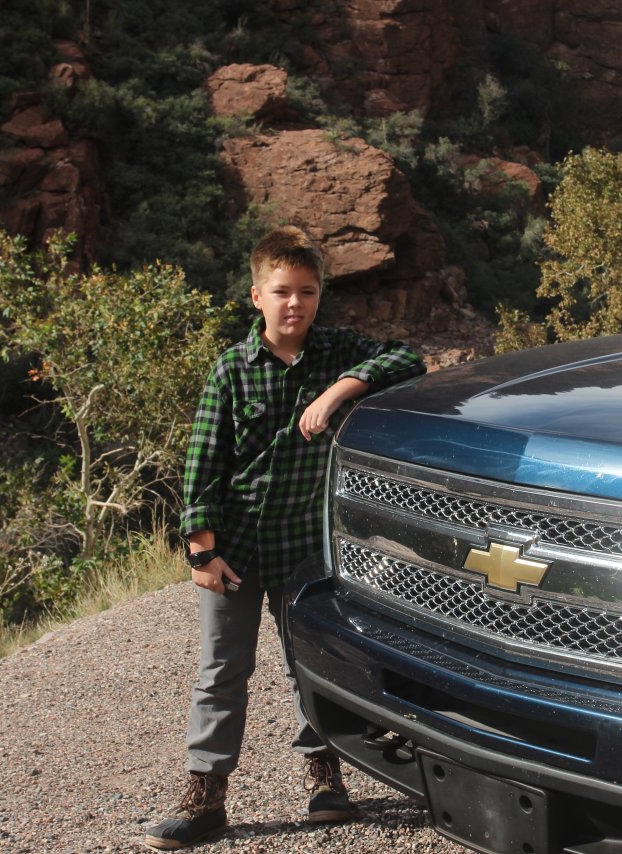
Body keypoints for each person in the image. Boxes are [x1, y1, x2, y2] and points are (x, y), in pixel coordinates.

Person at [144, 225, 426, 850]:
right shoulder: (232, 371)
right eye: (281, 292)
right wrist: (201, 549)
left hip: (303, 545)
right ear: (256, 297)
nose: (294, 304)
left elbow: (407, 357)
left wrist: (339, 389)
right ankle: (205, 797)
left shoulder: (332, 352)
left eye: (307, 291)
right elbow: (201, 466)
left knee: (311, 664)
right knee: (222, 669)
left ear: (320, 295)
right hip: (237, 551)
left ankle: (327, 781)